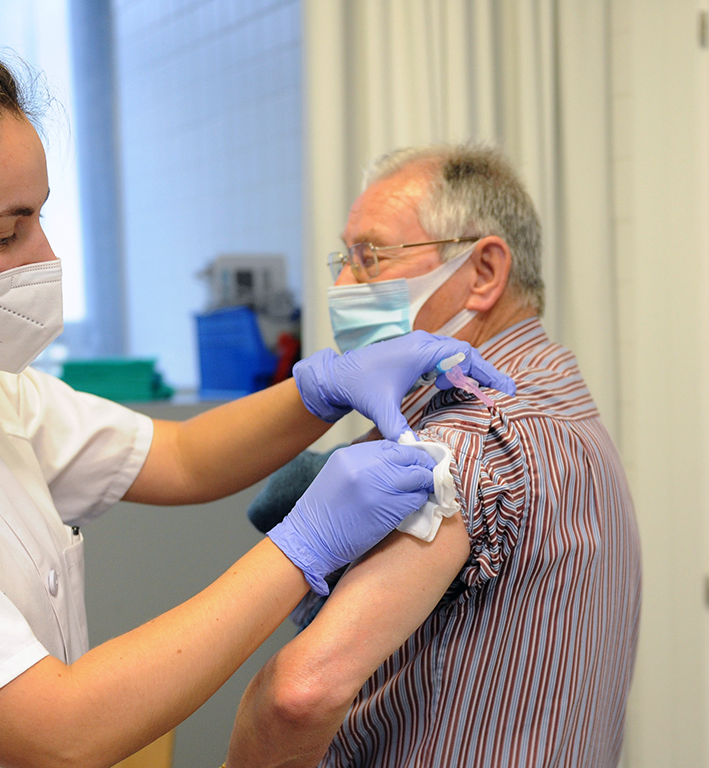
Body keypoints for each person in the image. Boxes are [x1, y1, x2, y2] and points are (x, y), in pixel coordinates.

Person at [0, 3, 516, 767]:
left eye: (40, 216)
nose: (44, 260)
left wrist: (322, 389)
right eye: (3, 232)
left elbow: (182, 457)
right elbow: (60, 727)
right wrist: (304, 547)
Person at [226, 144, 642, 767]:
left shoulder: (470, 438)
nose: (343, 285)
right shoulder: (560, 398)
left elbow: (299, 694)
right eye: (344, 258)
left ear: (483, 273)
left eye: (370, 256)